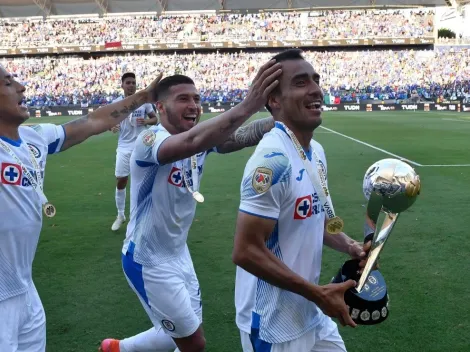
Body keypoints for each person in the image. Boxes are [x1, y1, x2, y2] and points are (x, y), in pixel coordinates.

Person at [99, 60, 282, 352]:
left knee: (184, 332)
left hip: (178, 252)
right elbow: (193, 141)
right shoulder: (150, 139)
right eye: (183, 99)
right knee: (194, 343)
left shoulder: (198, 140)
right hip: (147, 258)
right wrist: (249, 104)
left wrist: (280, 121)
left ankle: (118, 349)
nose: (194, 105)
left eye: (196, 98)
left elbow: (234, 138)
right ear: (160, 108)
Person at [0, 64, 163, 352]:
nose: (22, 87)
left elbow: (91, 121)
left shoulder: (34, 138)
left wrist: (144, 95)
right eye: (8, 82)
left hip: (25, 287)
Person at [231, 49, 372, 352]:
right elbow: (245, 251)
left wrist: (350, 246)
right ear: (274, 100)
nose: (316, 89)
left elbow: (315, 219)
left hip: (308, 309)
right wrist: (317, 293)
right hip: (272, 322)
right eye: (300, 82)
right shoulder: (271, 162)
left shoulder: (316, 152)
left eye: (316, 80)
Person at [111, 72, 159, 231]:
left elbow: (155, 119)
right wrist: (113, 126)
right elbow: (110, 123)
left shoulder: (143, 102)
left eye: (133, 82)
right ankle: (120, 215)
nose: (131, 85)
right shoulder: (117, 103)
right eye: (128, 83)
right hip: (124, 146)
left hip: (141, 145)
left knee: (143, 182)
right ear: (122, 85)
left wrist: (146, 121)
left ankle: (141, 216)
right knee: (121, 180)